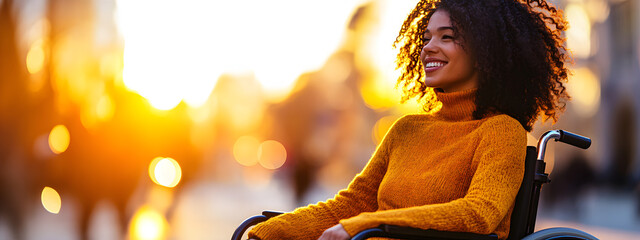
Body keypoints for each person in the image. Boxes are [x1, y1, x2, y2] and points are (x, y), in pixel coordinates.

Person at [248, 0, 570, 239]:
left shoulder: (501, 132)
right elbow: (350, 205)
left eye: (446, 37)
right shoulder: (406, 129)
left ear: (485, 53)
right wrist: (267, 231)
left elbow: (479, 215)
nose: (429, 47)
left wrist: (370, 224)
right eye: (427, 37)